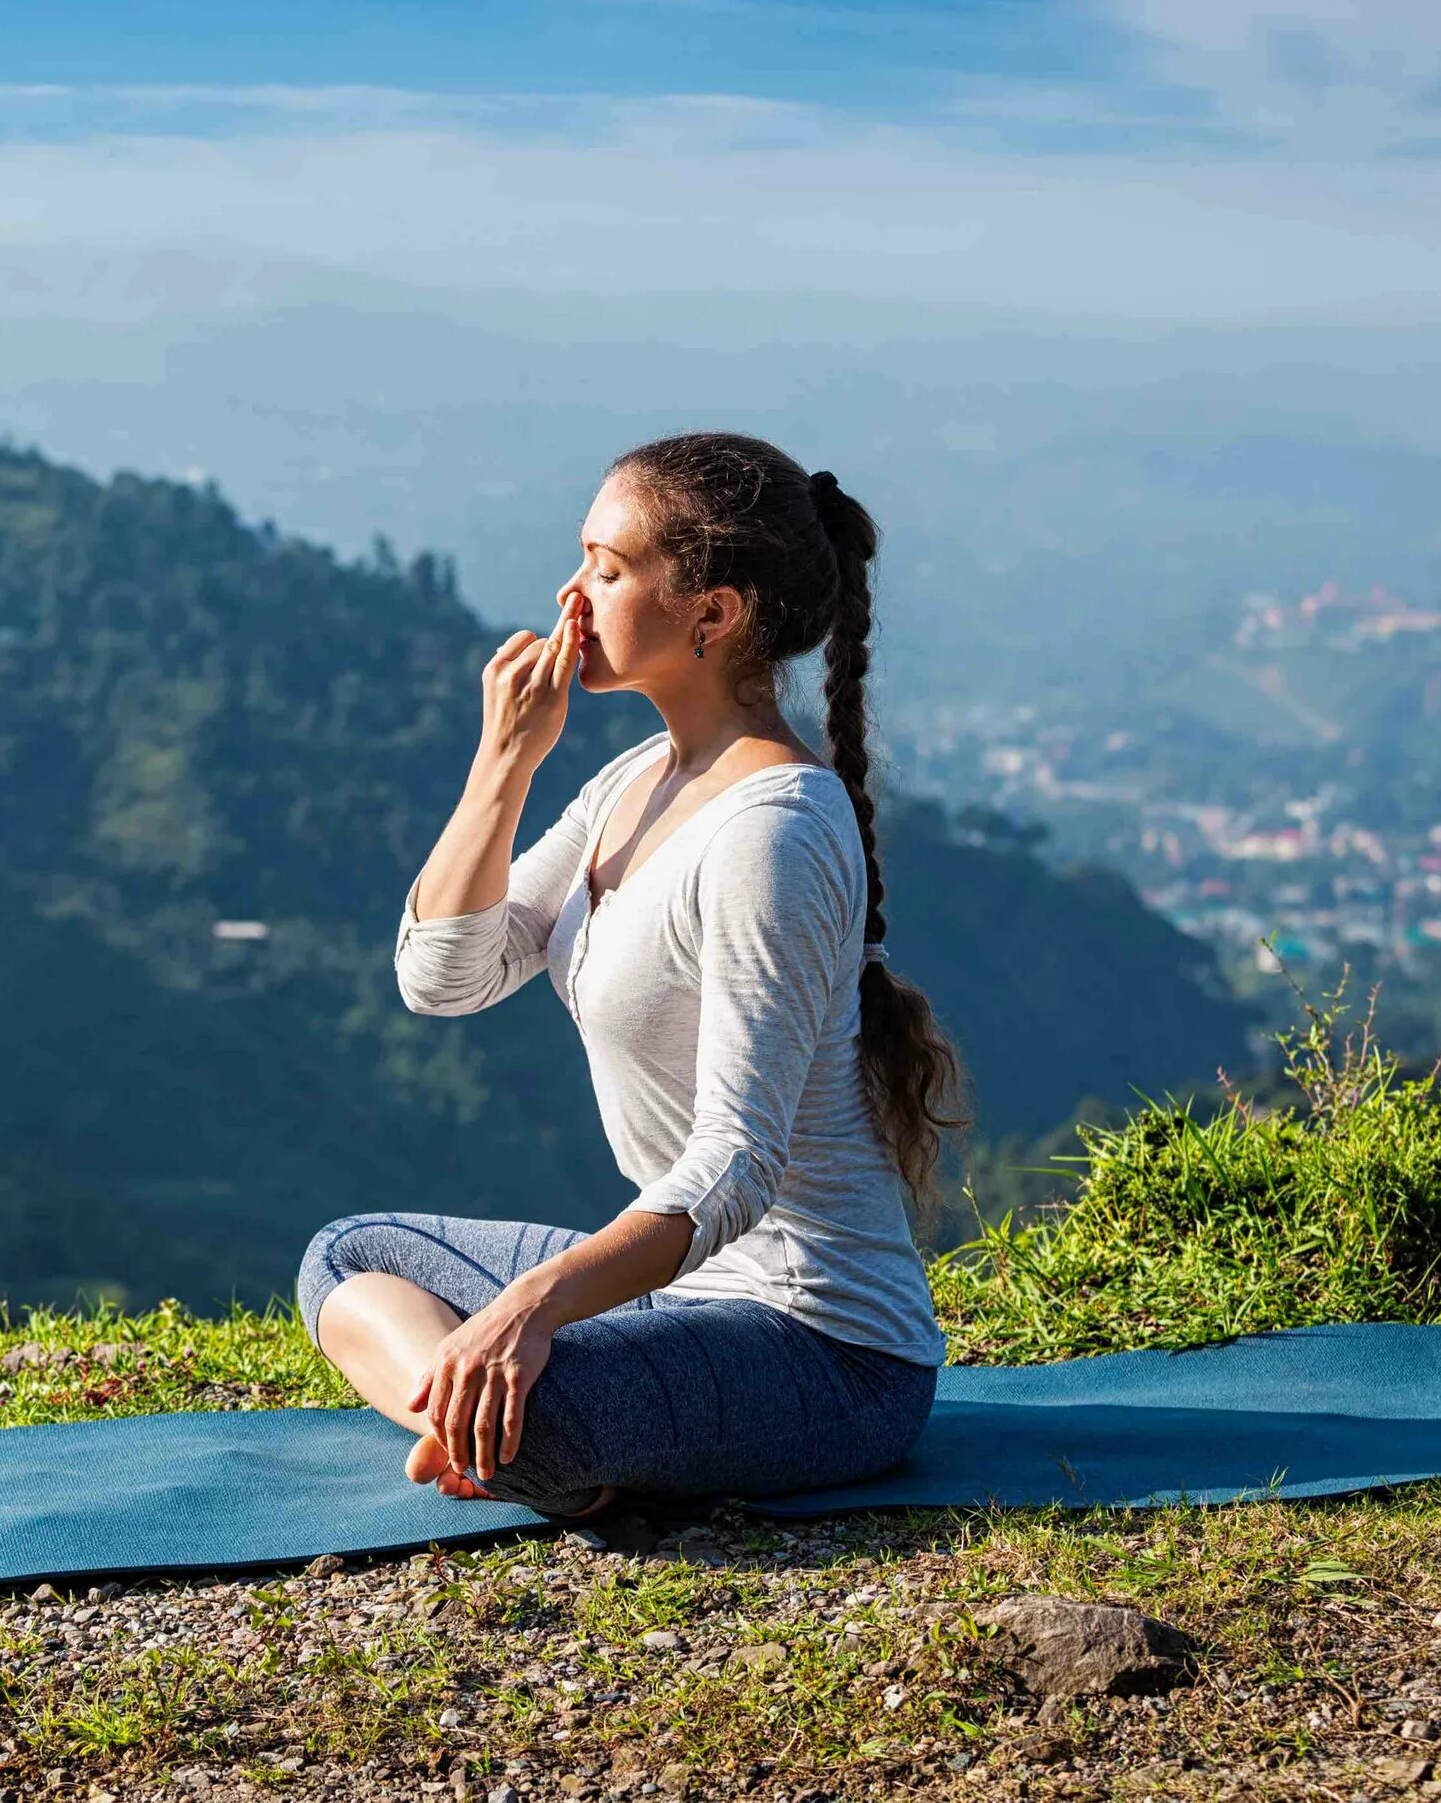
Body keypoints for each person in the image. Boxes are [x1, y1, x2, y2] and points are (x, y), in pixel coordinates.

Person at [295, 432, 966, 1519]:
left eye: (608, 568)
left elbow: (735, 1167)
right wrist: (503, 762)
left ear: (714, 615)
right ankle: (485, 1429)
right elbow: (444, 977)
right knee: (350, 1258)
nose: (572, 594)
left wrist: (534, 1307)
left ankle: (512, 1433)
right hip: (683, 1299)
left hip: (826, 1355)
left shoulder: (772, 836)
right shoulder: (633, 782)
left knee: (538, 1394)